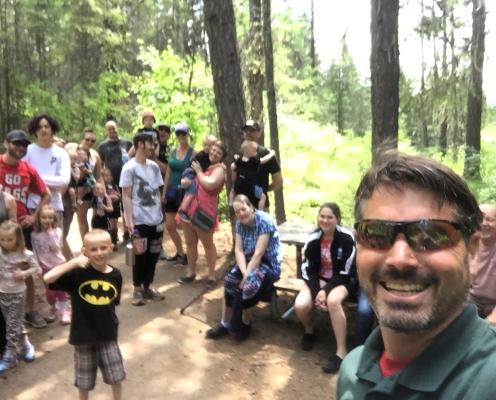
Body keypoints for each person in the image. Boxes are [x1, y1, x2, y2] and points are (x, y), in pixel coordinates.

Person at [337, 152, 496, 399]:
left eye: (432, 235)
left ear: (472, 253)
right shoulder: (352, 369)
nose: (399, 259)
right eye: (376, 233)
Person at [44, 230, 125, 400]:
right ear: (84, 251)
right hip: (83, 336)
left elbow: (112, 303)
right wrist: (73, 262)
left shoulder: (116, 275)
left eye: (103, 248)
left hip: (108, 334)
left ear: (111, 248)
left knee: (116, 376)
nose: (99, 252)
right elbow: (48, 278)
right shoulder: (78, 274)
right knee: (84, 381)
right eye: (93, 249)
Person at [206, 195, 281, 342]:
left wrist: (246, 277)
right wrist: (243, 272)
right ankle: (225, 323)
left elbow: (259, 254)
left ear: (251, 208)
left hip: (268, 264)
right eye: (237, 211)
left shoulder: (265, 221)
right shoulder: (239, 223)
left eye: (243, 209)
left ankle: (246, 323)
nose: (241, 213)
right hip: (247, 261)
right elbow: (239, 250)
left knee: (249, 286)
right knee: (229, 281)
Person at [294, 202, 358, 374]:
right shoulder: (313, 239)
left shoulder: (346, 239)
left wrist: (326, 291)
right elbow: (308, 269)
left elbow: (346, 271)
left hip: (343, 280)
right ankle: (309, 330)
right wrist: (317, 292)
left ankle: (341, 352)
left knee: (333, 301)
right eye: (322, 216)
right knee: (300, 305)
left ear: (338, 219)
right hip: (319, 280)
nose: (325, 220)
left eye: (330, 217)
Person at [1, 129, 51, 329]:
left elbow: (45, 194)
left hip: (20, 229)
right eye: (16, 143)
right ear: (6, 143)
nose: (20, 148)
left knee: (25, 269)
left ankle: (30, 311)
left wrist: (34, 215)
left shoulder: (27, 169)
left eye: (24, 145)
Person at [120, 132, 165, 306]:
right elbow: (127, 196)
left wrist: (160, 216)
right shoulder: (129, 168)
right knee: (140, 256)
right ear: (140, 144)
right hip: (139, 220)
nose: (153, 148)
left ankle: (148, 286)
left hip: (156, 219)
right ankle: (137, 288)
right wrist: (129, 221)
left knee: (153, 254)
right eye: (150, 144)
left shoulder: (154, 166)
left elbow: (158, 192)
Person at [176, 140, 227, 286]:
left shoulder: (220, 169)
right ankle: (191, 272)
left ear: (222, 156)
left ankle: (211, 276)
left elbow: (210, 184)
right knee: (190, 243)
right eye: (213, 150)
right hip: (188, 210)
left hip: (204, 211)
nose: (214, 153)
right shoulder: (204, 163)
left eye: (218, 152)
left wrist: (198, 172)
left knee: (208, 244)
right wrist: (186, 182)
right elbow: (190, 181)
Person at [26, 114, 72, 261]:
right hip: (32, 206)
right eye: (40, 127)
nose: (43, 130)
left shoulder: (61, 153)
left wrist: (36, 179)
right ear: (35, 130)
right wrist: (44, 182)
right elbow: (23, 177)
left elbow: (64, 180)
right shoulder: (28, 151)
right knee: (34, 248)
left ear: (52, 129)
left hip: (55, 207)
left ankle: (59, 280)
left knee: (55, 246)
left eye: (47, 126)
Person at [0, 220, 40, 373]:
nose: (6, 243)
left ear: (17, 238)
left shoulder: (24, 253)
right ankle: (26, 345)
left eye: (9, 239)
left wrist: (24, 273)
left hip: (17, 293)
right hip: (2, 293)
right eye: (2, 239)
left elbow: (36, 267)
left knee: (11, 325)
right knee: (15, 323)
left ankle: (10, 356)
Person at [30, 204, 70, 325]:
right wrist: (37, 267)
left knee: (61, 289)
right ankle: (53, 306)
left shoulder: (57, 231)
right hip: (45, 268)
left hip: (58, 265)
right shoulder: (34, 235)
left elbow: (57, 247)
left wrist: (51, 234)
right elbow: (35, 252)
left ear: (54, 219)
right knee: (50, 292)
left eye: (50, 218)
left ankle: (64, 312)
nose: (47, 220)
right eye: (44, 217)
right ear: (39, 219)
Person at [162, 122, 195, 265]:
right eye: (178, 133)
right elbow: (168, 171)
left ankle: (191, 253)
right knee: (169, 225)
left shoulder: (193, 153)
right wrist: (164, 192)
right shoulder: (173, 152)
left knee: (186, 225)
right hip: (171, 191)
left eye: (183, 133)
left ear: (188, 134)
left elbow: (197, 172)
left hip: (185, 193)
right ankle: (181, 253)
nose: (181, 136)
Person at [98, 120, 132, 242]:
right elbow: (100, 165)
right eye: (109, 129)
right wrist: (102, 182)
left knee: (127, 207)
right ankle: (113, 234)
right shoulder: (103, 146)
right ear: (106, 131)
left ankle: (128, 233)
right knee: (113, 209)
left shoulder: (127, 143)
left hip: (126, 179)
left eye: (114, 128)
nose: (112, 131)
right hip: (111, 182)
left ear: (118, 128)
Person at [65, 128, 102, 240]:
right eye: (87, 139)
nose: (90, 142)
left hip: (88, 189)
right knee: (76, 219)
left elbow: (98, 175)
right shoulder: (70, 151)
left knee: (88, 218)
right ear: (82, 139)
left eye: (93, 141)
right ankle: (84, 245)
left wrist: (100, 188)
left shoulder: (94, 155)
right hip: (72, 189)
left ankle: (89, 243)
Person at [240, 120, 283, 209]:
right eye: (246, 130)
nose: (248, 133)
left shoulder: (266, 153)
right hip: (241, 205)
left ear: (259, 133)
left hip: (259, 206)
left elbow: (278, 181)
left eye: (252, 130)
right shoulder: (240, 152)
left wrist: (263, 190)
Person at [177, 134, 217, 223]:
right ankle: (182, 210)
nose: (207, 147)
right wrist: (216, 165)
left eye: (209, 145)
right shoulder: (202, 155)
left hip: (192, 173)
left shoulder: (208, 156)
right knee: (192, 191)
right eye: (205, 145)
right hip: (190, 172)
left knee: (192, 190)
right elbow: (203, 168)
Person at [230, 140, 276, 210]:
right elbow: (264, 160)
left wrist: (236, 160)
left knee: (233, 190)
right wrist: (271, 154)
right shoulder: (253, 161)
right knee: (263, 196)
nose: (256, 153)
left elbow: (233, 167)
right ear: (247, 151)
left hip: (239, 185)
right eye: (254, 151)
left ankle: (231, 202)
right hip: (251, 186)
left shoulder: (239, 160)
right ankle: (260, 210)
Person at [470, 204, 496, 325]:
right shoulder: (469, 244)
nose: (484, 223)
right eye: (480, 219)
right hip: (471, 301)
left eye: (489, 219)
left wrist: (488, 323)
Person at [0, 192, 16, 357]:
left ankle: (8, 347)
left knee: (5, 302)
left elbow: (14, 231)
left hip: (4, 258)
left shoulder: (7, 199)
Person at [102, 168, 121, 250]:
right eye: (106, 176)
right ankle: (109, 243)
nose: (109, 177)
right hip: (108, 209)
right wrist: (110, 197)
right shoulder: (103, 187)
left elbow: (120, 196)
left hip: (116, 208)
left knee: (115, 225)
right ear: (103, 177)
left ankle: (114, 242)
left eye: (110, 175)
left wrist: (116, 196)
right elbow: (102, 197)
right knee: (109, 226)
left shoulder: (115, 185)